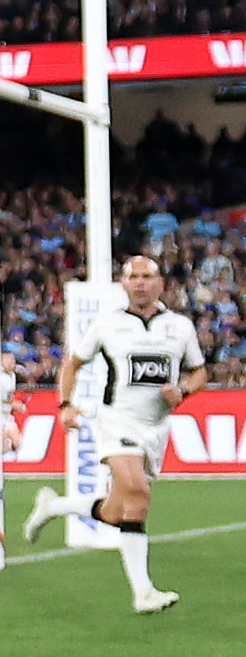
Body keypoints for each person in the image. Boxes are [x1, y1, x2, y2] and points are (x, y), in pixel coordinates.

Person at [24, 251, 204, 614]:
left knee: (119, 510)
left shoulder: (180, 327)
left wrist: (182, 390)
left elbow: (199, 371)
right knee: (137, 492)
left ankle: (54, 506)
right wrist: (65, 405)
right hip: (116, 421)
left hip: (155, 428)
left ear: (160, 283)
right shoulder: (108, 324)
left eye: (147, 276)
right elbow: (72, 363)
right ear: (124, 283)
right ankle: (144, 593)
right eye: (133, 276)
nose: (140, 283)